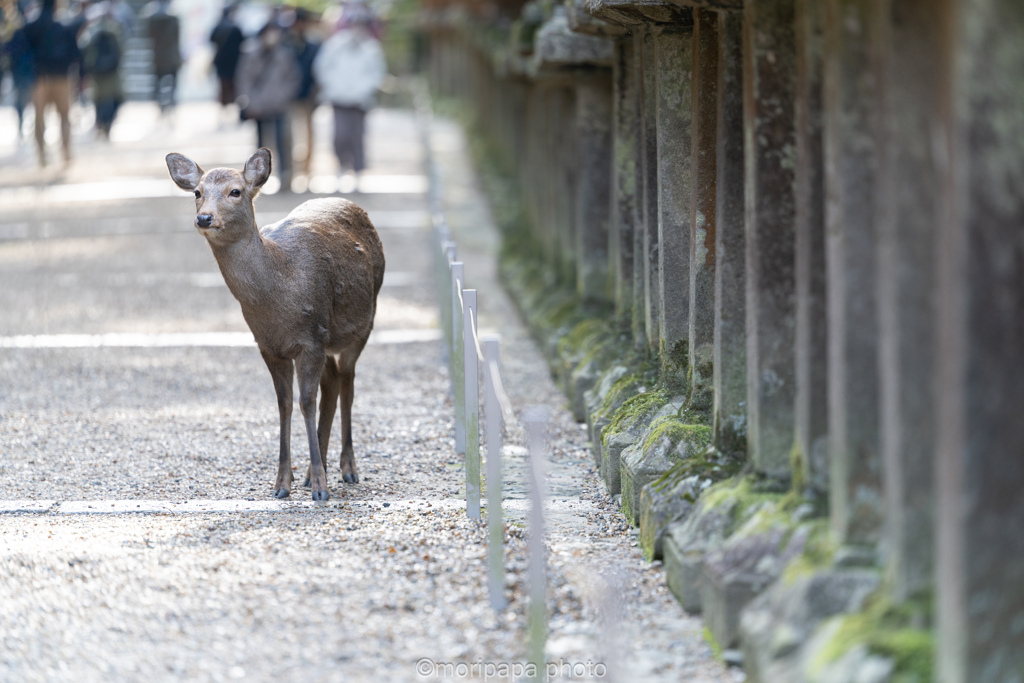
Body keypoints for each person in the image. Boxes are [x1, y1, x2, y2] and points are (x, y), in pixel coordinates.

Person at [313, 2, 386, 191]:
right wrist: (334, 86)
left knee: (358, 136)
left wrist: (363, 90)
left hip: (360, 100)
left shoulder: (371, 48)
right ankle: (341, 168)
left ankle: (358, 173)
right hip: (338, 98)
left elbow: (377, 74)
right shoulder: (335, 45)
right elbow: (322, 68)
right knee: (339, 136)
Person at [235, 20, 300, 188]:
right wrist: (250, 101)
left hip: (279, 106)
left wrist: (284, 97)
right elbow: (244, 79)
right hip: (259, 106)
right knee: (261, 146)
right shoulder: (250, 53)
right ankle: (257, 180)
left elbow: (293, 79)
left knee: (283, 142)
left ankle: (286, 177)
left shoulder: (284, 55)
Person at [24, 0, 81, 167]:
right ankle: (66, 152)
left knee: (39, 117)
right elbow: (75, 53)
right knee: (64, 116)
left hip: (39, 77)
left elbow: (24, 51)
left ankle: (41, 155)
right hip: (61, 76)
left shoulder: (31, 26)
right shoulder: (63, 26)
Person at [80, 2, 123, 138]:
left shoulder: (92, 31)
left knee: (99, 100)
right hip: (111, 72)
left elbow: (85, 51)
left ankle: (101, 124)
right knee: (115, 98)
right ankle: (106, 124)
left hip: (98, 72)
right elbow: (121, 48)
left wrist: (88, 69)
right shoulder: (115, 28)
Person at [285, 7, 320, 177]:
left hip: (308, 96)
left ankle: (307, 171)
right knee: (288, 136)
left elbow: (318, 71)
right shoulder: (285, 46)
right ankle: (291, 171)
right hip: (288, 97)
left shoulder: (313, 46)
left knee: (308, 136)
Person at [141, 0, 180, 112]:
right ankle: (170, 102)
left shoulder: (150, 13)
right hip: (170, 56)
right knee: (171, 81)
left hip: (158, 55)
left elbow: (147, 34)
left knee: (158, 81)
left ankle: (160, 103)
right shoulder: (173, 13)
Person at [3, 1, 34, 141]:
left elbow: (6, 49)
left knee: (22, 97)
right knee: (23, 96)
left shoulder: (16, 32)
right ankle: (22, 122)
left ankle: (22, 122)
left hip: (20, 69)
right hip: (23, 69)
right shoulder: (25, 31)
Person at [209, 3, 243, 117]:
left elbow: (211, 40)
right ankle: (233, 111)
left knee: (222, 87)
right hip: (234, 62)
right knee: (234, 87)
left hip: (221, 62)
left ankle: (224, 110)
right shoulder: (235, 27)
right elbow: (242, 42)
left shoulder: (218, 27)